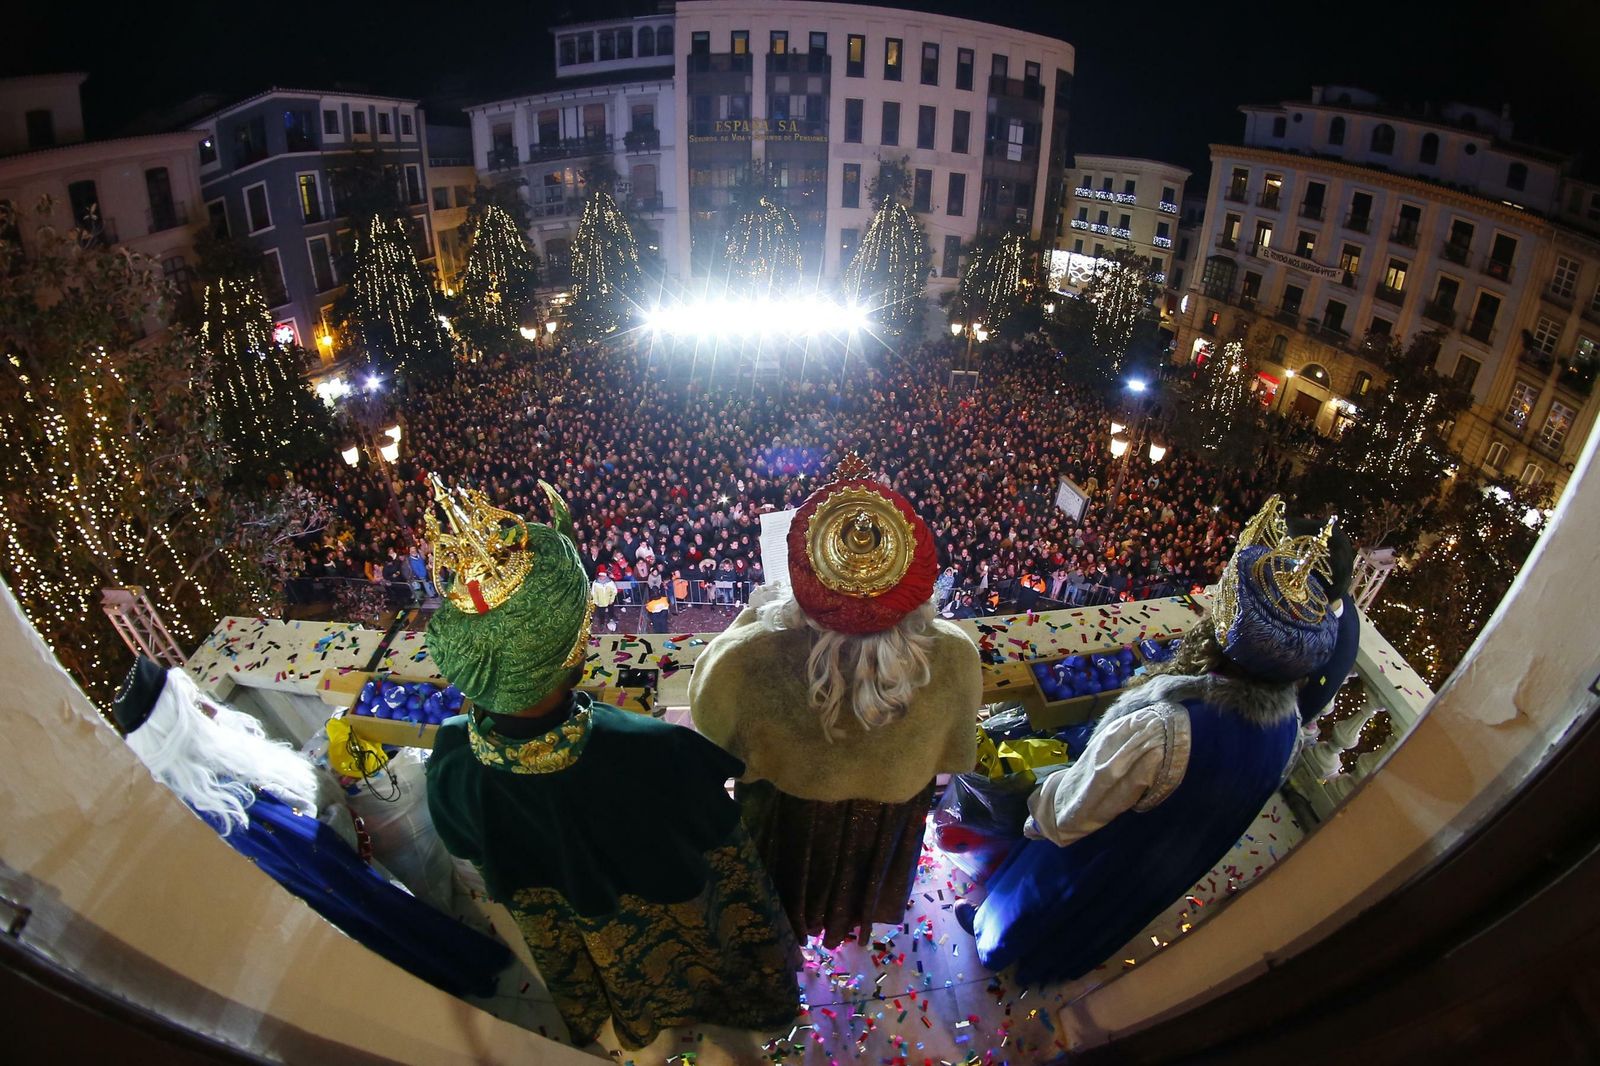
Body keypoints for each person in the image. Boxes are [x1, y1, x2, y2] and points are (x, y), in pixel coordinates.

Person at [422, 477, 801, 1050]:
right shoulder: (655, 748)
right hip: (676, 925)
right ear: (575, 644)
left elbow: (472, 851)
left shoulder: (450, 761)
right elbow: (727, 857)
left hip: (582, 945)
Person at [958, 496, 1339, 985]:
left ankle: (994, 943)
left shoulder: (1165, 726)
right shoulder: (1288, 732)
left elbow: (1067, 816)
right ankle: (1048, 968)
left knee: (1034, 897)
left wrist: (1037, 797)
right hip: (1162, 865)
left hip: (1095, 852)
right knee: (1097, 920)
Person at [690, 454, 982, 946]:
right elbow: (955, 756)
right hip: (886, 816)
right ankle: (846, 927)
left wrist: (750, 617)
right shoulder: (954, 654)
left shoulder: (750, 657)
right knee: (854, 887)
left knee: (780, 895)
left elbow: (710, 718)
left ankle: (784, 941)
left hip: (788, 813)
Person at [113, 656, 512, 998]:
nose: (212, 710)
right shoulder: (225, 803)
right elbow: (314, 844)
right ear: (179, 732)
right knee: (401, 927)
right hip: (343, 882)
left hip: (339, 881)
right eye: (198, 710)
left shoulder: (211, 778)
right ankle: (468, 972)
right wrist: (343, 815)